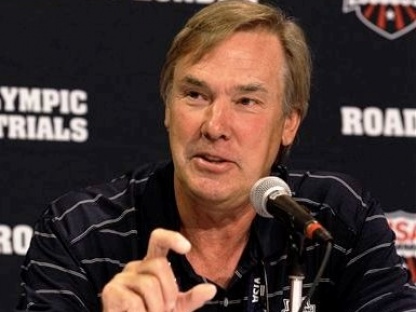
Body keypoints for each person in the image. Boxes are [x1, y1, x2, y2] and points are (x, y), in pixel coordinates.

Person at [16, 1, 416, 311]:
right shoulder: (80, 233)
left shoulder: (335, 223)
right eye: (195, 95)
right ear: (167, 108)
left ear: (289, 123)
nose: (214, 125)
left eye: (246, 100)